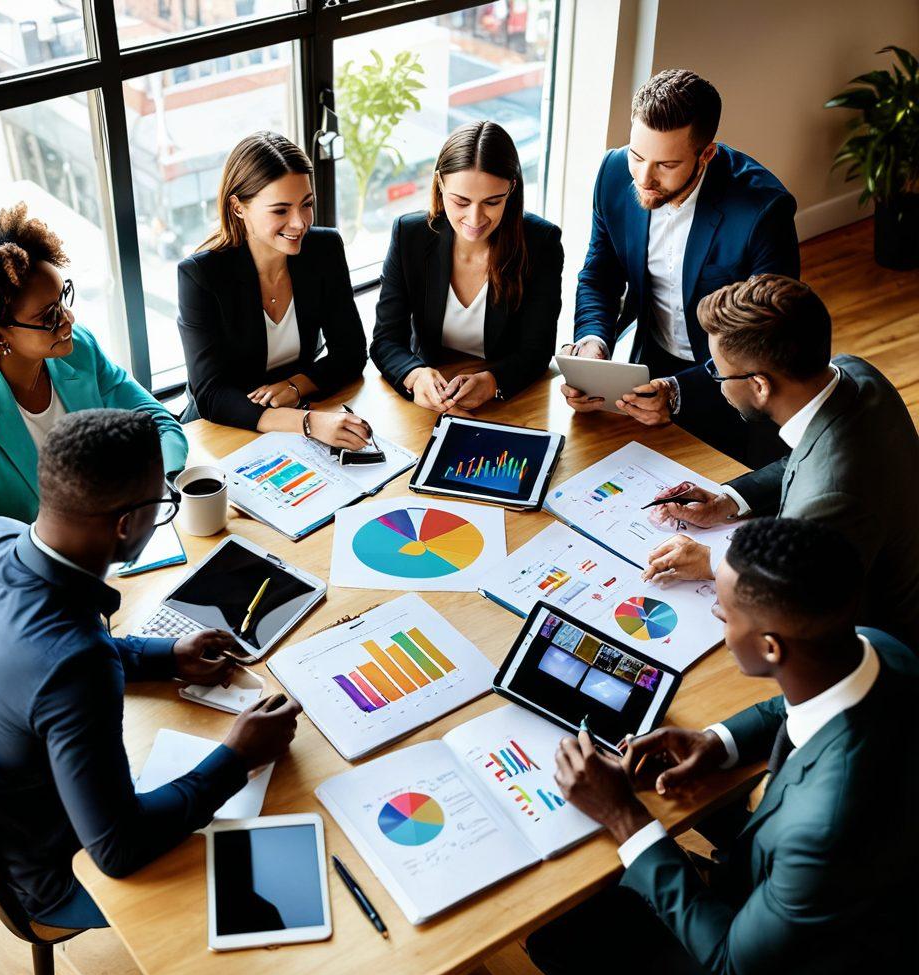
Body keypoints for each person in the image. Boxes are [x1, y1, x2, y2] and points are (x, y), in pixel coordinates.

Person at [526, 516, 919, 975]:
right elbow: (789, 708)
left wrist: (623, 815)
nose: (716, 615)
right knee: (558, 939)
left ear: (771, 647)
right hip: (852, 911)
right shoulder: (879, 650)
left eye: (724, 611)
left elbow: (733, 959)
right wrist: (715, 742)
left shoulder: (824, 824)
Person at [0, 409, 302, 929]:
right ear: (126, 524)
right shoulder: (78, 667)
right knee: (282, 869)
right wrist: (238, 757)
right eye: (162, 503)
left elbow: (33, 654)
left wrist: (166, 655)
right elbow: (118, 849)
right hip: (51, 871)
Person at [0, 204, 188, 597]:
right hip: (4, 589)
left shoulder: (78, 349)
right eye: (49, 316)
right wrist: (72, 547)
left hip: (93, 559)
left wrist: (145, 496)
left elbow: (159, 425)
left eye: (63, 299)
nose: (68, 320)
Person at [642, 274, 919, 653]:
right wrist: (728, 500)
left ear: (759, 385)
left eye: (718, 372)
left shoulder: (829, 497)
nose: (718, 384)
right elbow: (808, 453)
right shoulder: (855, 372)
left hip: (877, 638)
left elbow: (795, 594)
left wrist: (712, 560)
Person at [564, 69, 798, 468]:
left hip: (736, 388)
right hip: (651, 364)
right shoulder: (613, 173)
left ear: (706, 154)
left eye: (666, 164)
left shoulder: (763, 210)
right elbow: (599, 274)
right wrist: (592, 345)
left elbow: (765, 335)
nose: (643, 178)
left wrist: (678, 393)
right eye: (637, 156)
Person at [177, 131, 370, 449]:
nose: (299, 223)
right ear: (238, 208)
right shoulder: (201, 275)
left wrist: (295, 386)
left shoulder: (324, 249)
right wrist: (307, 423)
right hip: (225, 429)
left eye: (306, 204)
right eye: (280, 210)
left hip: (300, 410)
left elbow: (350, 352)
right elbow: (211, 394)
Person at [370, 120, 564, 412]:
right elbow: (386, 340)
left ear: (511, 189)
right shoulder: (409, 235)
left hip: (508, 404)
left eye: (492, 202)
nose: (475, 219)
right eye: (461, 201)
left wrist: (493, 381)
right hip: (429, 401)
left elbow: (537, 350)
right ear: (440, 184)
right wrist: (415, 375)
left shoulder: (541, 243)